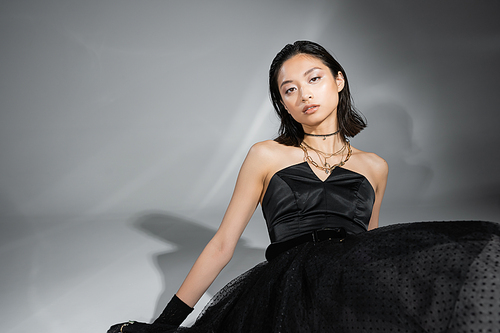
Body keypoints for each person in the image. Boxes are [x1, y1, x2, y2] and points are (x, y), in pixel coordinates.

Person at [108, 41, 500, 333]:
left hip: (349, 279)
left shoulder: (374, 166)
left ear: (338, 81)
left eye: (313, 79)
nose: (304, 93)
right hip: (287, 284)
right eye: (289, 89)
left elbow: (376, 242)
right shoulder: (267, 155)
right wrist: (164, 326)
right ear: (283, 103)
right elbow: (223, 244)